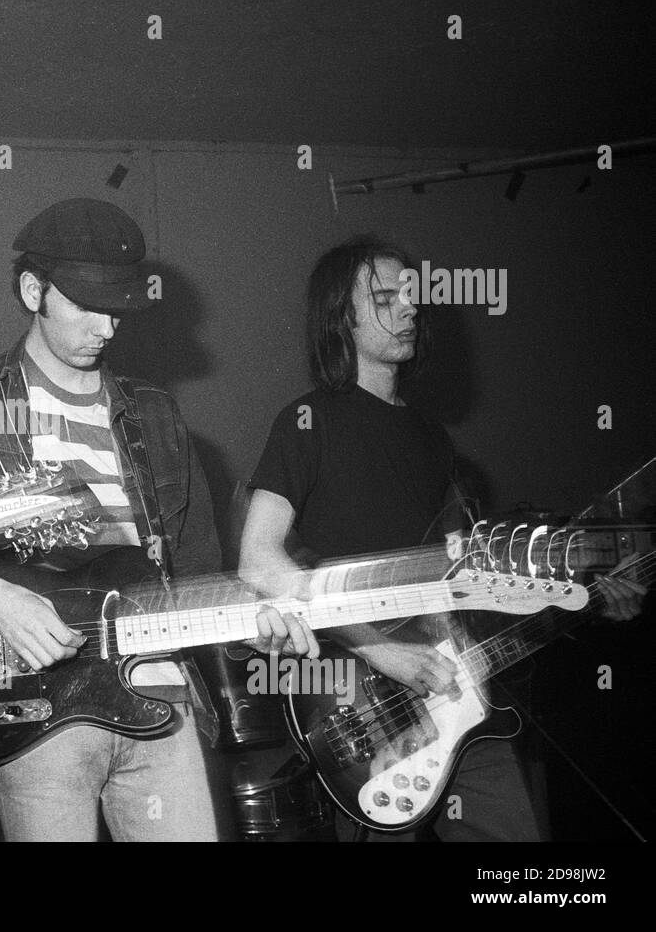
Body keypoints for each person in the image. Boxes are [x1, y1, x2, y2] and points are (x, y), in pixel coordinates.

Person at [0, 197, 307, 841]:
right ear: (32, 291)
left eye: (118, 309)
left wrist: (252, 628)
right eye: (85, 305)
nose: (105, 327)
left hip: (161, 698)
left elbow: (195, 574)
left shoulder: (157, 416)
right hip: (39, 707)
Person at [238, 234, 646, 841]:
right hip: (364, 707)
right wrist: (381, 650)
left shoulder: (434, 439)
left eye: (413, 295)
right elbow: (258, 560)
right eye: (385, 297)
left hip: (464, 693)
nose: (409, 307)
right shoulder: (309, 420)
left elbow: (474, 586)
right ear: (339, 316)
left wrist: (588, 596)